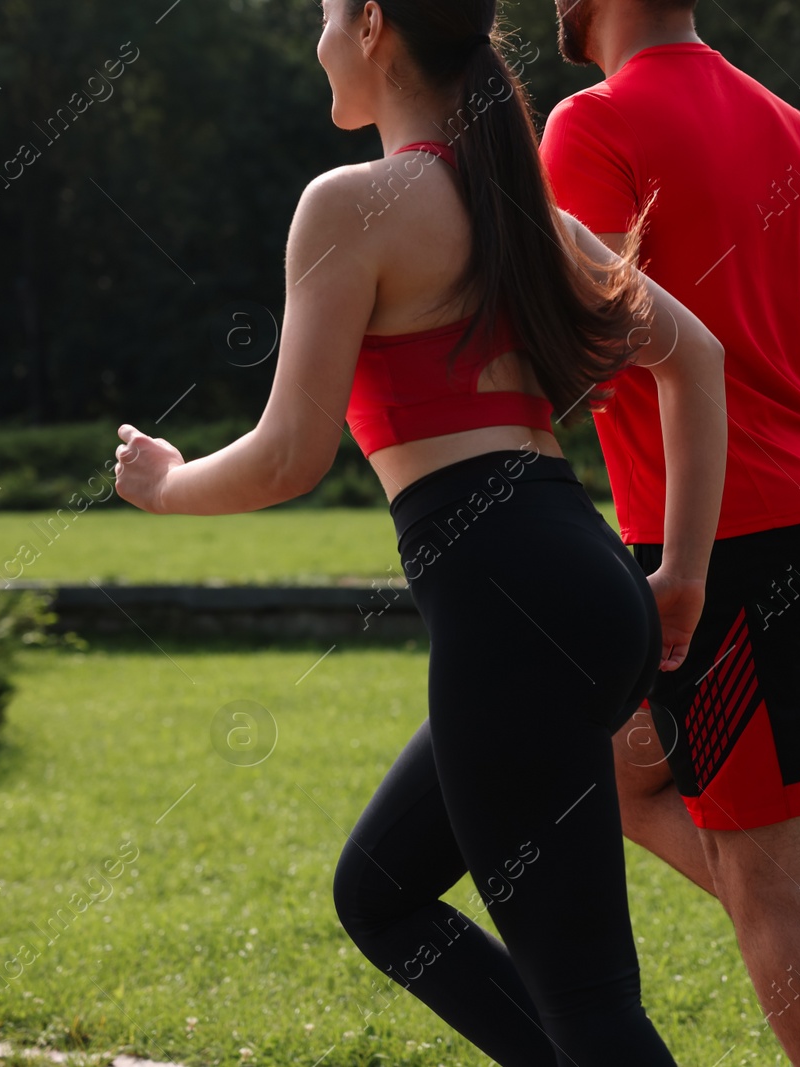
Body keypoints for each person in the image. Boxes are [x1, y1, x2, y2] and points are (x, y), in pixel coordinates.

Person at [111, 0, 729, 1062]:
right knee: (382, 892)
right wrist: (677, 575)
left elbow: (287, 454)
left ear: (373, 26)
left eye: (321, 18)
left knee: (589, 1000)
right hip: (586, 584)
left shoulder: (351, 204)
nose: (314, 45)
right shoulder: (524, 210)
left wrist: (165, 485)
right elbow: (698, 358)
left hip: (511, 611)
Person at [536, 1, 800, 1065]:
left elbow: (586, 340)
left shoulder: (588, 125)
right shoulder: (779, 116)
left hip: (730, 546)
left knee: (766, 870)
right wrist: (758, 398)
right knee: (610, 769)